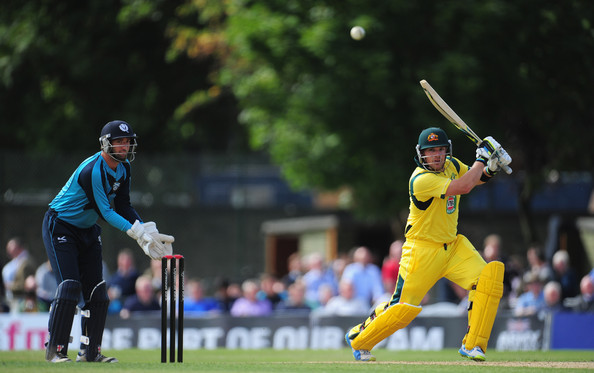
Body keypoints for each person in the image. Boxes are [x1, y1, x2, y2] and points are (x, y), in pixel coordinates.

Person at [344, 127, 512, 362]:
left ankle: (474, 345)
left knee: (489, 278)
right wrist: (482, 157)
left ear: (447, 151)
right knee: (402, 310)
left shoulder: (452, 165)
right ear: (421, 154)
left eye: (440, 150)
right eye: (430, 151)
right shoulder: (420, 179)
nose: (436, 155)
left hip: (452, 246)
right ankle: (359, 339)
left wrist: (490, 168)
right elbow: (463, 187)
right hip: (421, 251)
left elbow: (474, 179)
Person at [41, 120, 175, 363]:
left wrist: (145, 230)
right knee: (70, 286)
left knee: (98, 293)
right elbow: (105, 210)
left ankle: (91, 352)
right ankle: (55, 349)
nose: (124, 146)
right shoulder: (92, 169)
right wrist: (135, 233)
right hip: (61, 225)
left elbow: (124, 206)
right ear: (106, 144)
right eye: (119, 141)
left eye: (127, 141)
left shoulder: (124, 169)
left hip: (88, 228)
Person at [2, 237, 37, 310]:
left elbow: (25, 285)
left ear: (17, 248)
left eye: (10, 248)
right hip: (15, 298)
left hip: (21, 300)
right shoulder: (17, 262)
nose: (8, 251)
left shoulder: (26, 263)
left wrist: (9, 286)